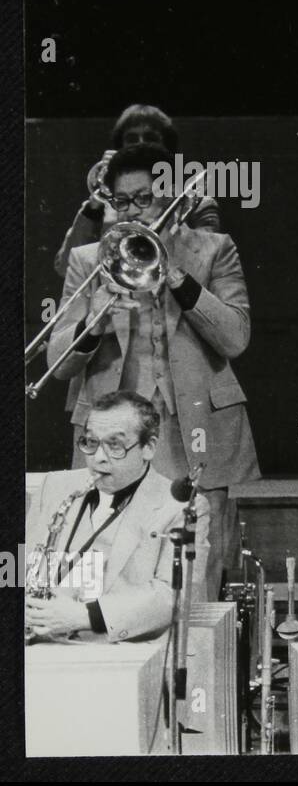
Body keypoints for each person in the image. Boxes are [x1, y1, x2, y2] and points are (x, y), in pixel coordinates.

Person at [49, 143, 259, 601]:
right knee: (102, 565)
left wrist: (180, 280)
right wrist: (94, 323)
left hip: (195, 428)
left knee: (197, 571)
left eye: (145, 198)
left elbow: (236, 337)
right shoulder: (90, 259)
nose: (134, 211)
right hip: (113, 431)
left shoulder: (215, 249)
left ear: (174, 199)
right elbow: (59, 364)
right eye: (122, 201)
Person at [26, 391, 211, 643]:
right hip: (41, 644)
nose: (98, 458)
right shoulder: (54, 486)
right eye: (91, 443)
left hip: (121, 654)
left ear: (149, 447)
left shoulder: (182, 506)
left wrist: (84, 616)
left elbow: (172, 595)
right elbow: (21, 565)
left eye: (115, 445)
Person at [55, 104, 221, 280]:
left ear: (167, 147)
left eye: (150, 138)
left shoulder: (196, 202)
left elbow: (208, 261)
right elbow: (65, 268)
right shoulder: (102, 206)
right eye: (132, 139)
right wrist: (93, 207)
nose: (141, 146)